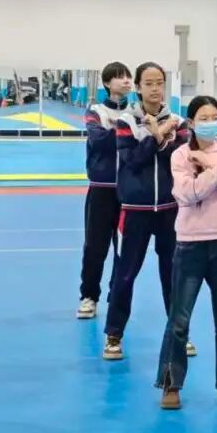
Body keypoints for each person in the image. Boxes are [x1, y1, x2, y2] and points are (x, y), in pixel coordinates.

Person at [156, 96, 217, 410]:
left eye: (215, 116)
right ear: (192, 123)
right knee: (179, 320)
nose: (211, 122)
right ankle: (170, 385)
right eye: (204, 117)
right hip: (190, 244)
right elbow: (189, 193)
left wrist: (212, 167)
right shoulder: (180, 155)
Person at [103, 63, 190, 361]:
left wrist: (160, 136)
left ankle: (179, 333)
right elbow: (132, 160)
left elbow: (178, 158)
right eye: (149, 83)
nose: (155, 88)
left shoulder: (178, 122)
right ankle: (114, 335)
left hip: (170, 211)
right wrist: (156, 136)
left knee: (173, 275)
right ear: (138, 87)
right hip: (134, 211)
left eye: (160, 82)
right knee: (125, 274)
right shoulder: (126, 121)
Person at [77, 62, 133, 320]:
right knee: (94, 247)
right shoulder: (95, 111)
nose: (126, 81)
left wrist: (122, 131)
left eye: (128, 77)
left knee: (125, 249)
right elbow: (99, 141)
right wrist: (128, 132)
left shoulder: (137, 111)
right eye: (120, 77)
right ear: (108, 83)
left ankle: (116, 296)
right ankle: (89, 296)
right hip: (101, 190)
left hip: (130, 192)